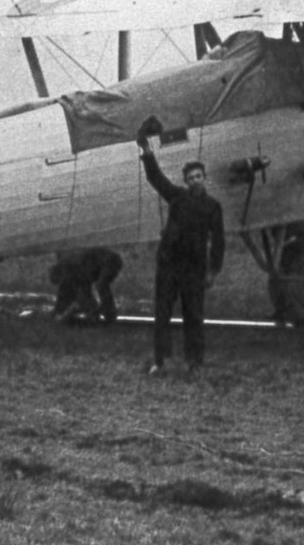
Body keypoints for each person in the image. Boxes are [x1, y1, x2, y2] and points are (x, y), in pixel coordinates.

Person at [138, 118, 224, 374]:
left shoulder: (213, 207)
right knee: (162, 313)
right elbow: (156, 178)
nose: (196, 180)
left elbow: (219, 240)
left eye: (199, 176)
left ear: (205, 178)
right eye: (191, 177)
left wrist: (213, 271)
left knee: (194, 315)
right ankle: (159, 361)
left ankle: (194, 361)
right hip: (169, 264)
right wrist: (145, 149)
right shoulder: (177, 197)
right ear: (186, 181)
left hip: (194, 268)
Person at [50, 247, 124, 325]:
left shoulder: (71, 268)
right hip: (106, 261)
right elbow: (83, 292)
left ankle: (109, 314)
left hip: (109, 260)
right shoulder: (73, 270)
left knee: (101, 284)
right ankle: (106, 313)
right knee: (100, 285)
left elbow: (78, 292)